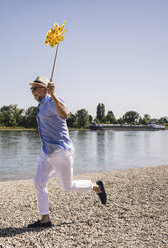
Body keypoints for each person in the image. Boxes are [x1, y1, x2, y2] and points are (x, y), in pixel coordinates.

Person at [27, 76, 107, 228]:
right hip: (47, 152)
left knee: (67, 186)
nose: (32, 92)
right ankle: (45, 219)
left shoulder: (51, 101)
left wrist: (54, 94)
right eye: (31, 89)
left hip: (61, 151)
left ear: (44, 89)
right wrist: (41, 131)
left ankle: (97, 187)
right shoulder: (41, 105)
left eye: (35, 88)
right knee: (39, 182)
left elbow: (64, 115)